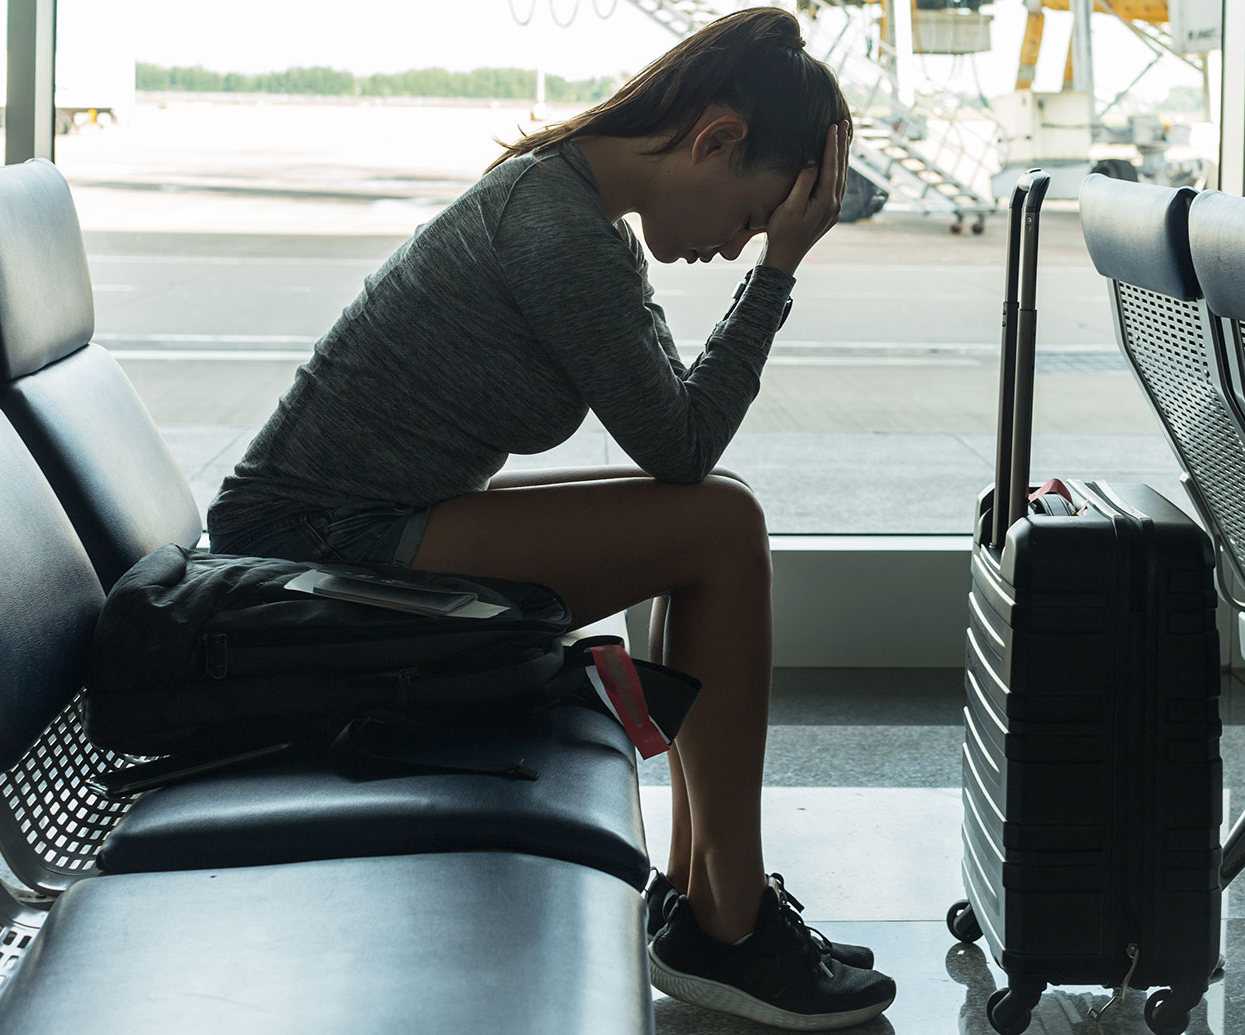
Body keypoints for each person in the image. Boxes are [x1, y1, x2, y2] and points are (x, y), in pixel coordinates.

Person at [204, 7, 894, 1029]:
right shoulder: (555, 228)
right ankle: (728, 923)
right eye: (749, 216)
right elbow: (680, 446)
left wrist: (766, 259)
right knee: (715, 528)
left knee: (719, 520)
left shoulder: (576, 213)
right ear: (714, 141)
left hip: (357, 525)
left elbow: (682, 438)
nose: (737, 244)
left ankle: (708, 904)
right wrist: (778, 274)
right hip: (317, 556)